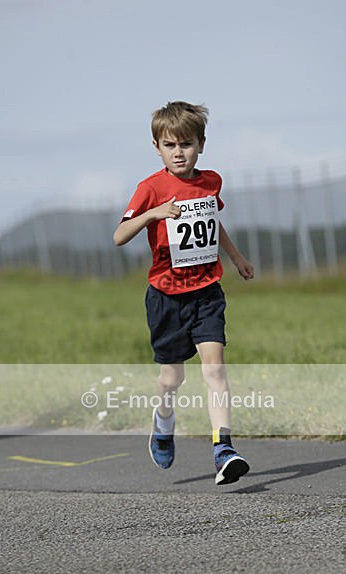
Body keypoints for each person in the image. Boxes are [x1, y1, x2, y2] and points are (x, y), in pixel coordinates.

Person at [113, 101, 254, 485]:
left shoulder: (211, 182)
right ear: (157, 148)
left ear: (201, 145)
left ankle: (223, 448)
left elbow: (213, 221)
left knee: (215, 368)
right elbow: (119, 236)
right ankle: (163, 422)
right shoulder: (150, 188)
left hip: (207, 290)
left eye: (187, 144)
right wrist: (152, 214)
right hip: (166, 296)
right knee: (171, 379)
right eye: (170, 145)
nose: (179, 152)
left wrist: (237, 257)